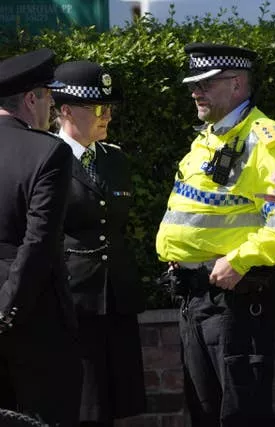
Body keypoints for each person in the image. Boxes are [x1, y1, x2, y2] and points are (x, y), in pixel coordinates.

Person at [155, 43, 275, 427]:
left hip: (235, 298)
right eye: (193, 84)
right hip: (195, 295)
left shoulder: (265, 138)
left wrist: (239, 260)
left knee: (241, 413)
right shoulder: (208, 138)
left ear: (237, 83)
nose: (195, 92)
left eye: (205, 84)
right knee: (205, 411)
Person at [52, 60, 146, 427]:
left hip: (117, 299)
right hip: (75, 300)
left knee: (115, 402)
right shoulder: (48, 158)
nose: (106, 115)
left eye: (109, 107)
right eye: (96, 108)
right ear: (65, 110)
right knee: (82, 405)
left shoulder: (114, 159)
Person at [0, 48, 82, 426]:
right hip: (34, 320)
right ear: (31, 99)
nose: (51, 106)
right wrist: (6, 310)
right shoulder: (48, 152)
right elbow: (40, 243)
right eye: (50, 96)